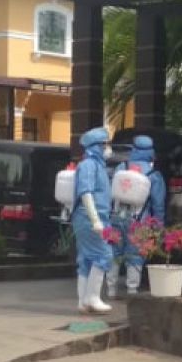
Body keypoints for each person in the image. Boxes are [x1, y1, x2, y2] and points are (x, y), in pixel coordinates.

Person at [107, 134, 166, 297]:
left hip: (116, 218)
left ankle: (111, 289)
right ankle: (132, 289)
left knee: (114, 253)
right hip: (139, 222)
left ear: (133, 149)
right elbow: (158, 205)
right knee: (135, 255)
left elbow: (110, 194)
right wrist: (158, 227)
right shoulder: (153, 174)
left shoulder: (121, 167)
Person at [72, 127, 113, 314]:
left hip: (91, 217)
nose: (108, 148)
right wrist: (95, 220)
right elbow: (86, 193)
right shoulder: (89, 165)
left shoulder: (97, 165)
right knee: (104, 254)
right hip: (89, 218)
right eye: (105, 144)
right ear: (96, 146)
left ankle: (83, 301)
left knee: (87, 259)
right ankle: (93, 297)